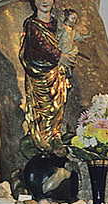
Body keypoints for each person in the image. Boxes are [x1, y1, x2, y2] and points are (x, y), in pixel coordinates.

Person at [19, 0, 75, 154]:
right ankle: (41, 140)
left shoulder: (57, 24)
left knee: (56, 105)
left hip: (56, 74)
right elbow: (40, 45)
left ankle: (54, 135)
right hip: (39, 75)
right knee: (42, 107)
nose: (44, 1)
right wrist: (60, 56)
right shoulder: (32, 25)